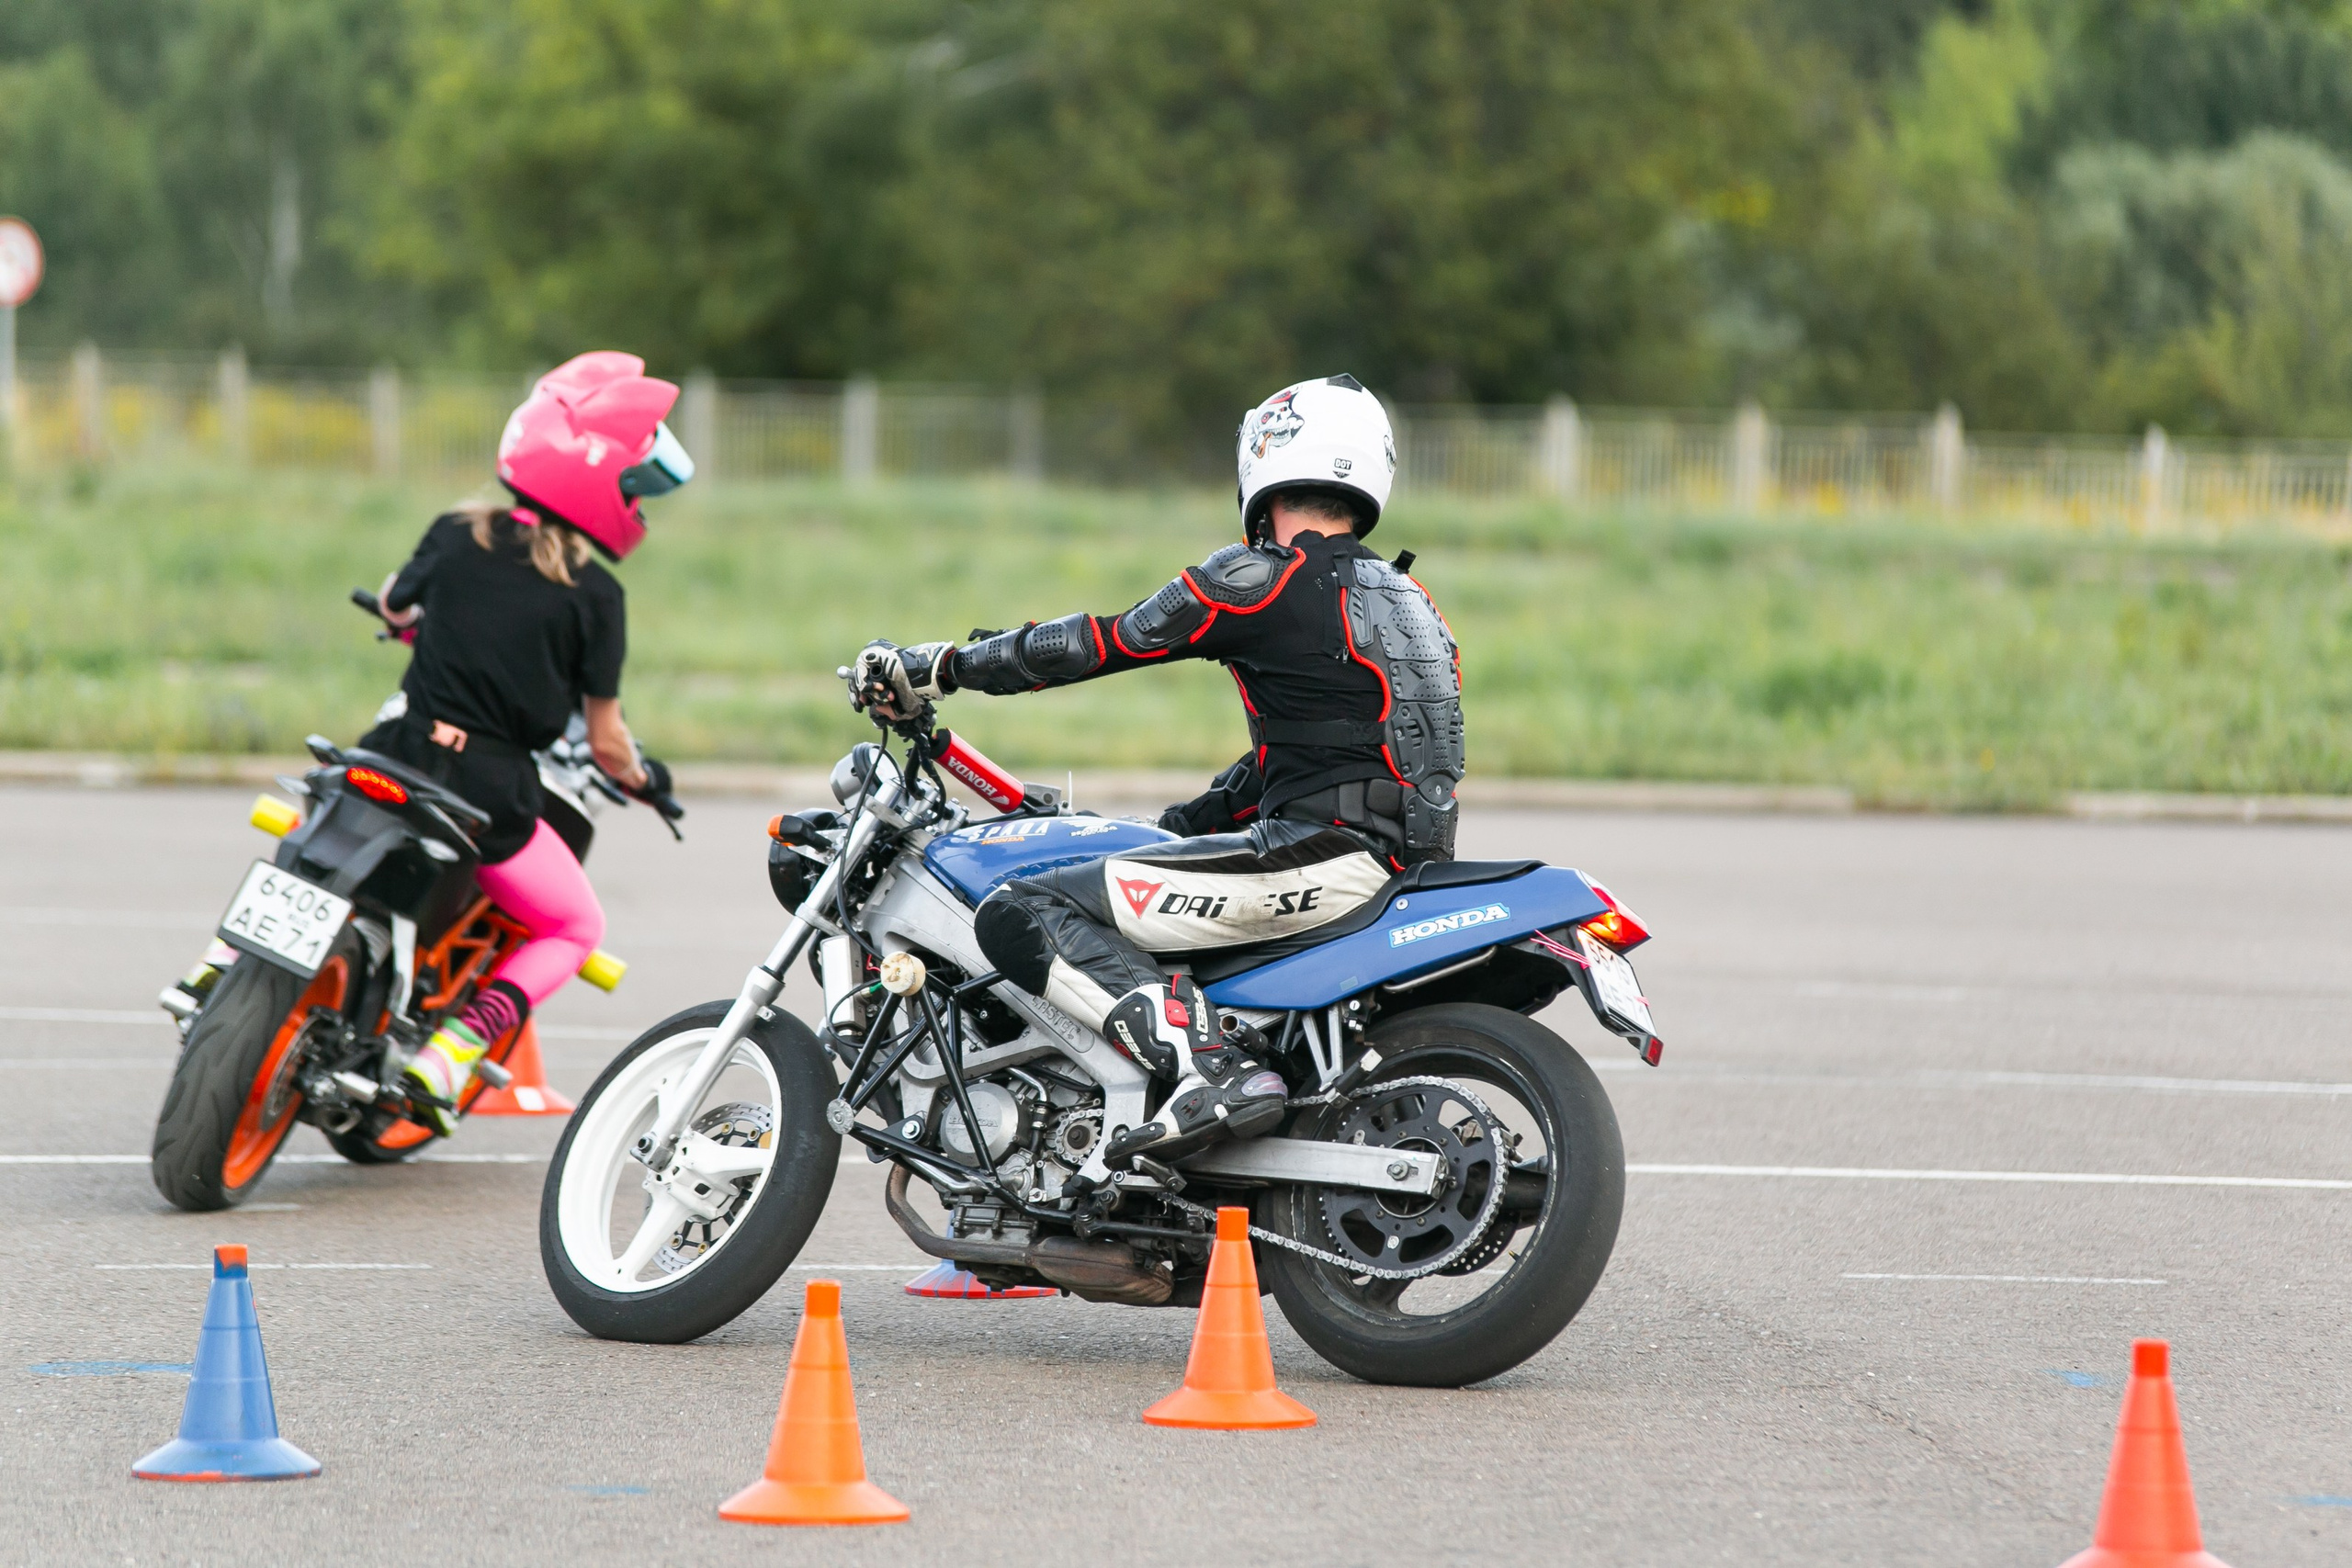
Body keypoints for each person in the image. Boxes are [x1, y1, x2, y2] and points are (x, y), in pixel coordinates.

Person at [850, 374, 1463, 1168]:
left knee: (1022, 910)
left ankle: (1211, 1071)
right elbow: (1310, 755)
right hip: (1393, 864)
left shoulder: (1261, 578)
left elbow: (1098, 642)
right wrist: (1177, 827)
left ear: (1265, 458)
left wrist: (943, 666)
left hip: (1320, 859)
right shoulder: (1412, 600)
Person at [361, 351, 694, 1134]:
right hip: (487, 793)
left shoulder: (453, 531)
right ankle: (452, 1050)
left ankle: (227, 962)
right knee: (576, 926)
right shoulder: (595, 596)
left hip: (395, 748)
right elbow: (607, 742)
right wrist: (646, 778)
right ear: (599, 485)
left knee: (319, 823)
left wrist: (408, 622)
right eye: (634, 487)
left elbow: (394, 604)